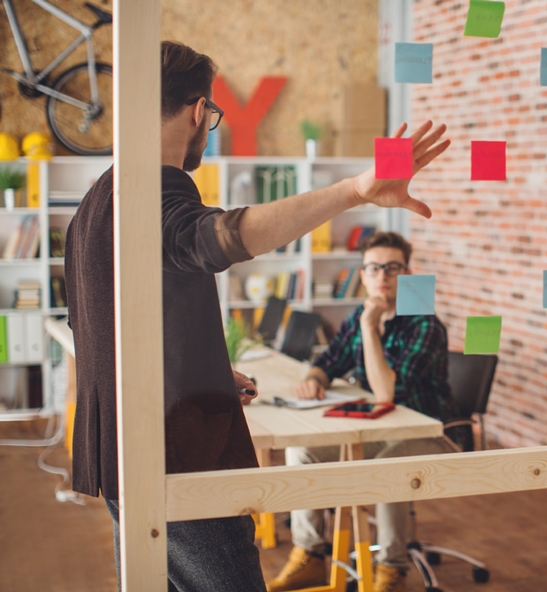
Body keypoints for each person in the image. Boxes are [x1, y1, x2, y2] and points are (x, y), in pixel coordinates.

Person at [64, 40, 449, 592]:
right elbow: (214, 240)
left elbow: (99, 323)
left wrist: (201, 373)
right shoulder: (157, 184)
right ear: (199, 110)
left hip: (120, 452)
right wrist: (354, 190)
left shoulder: (98, 197)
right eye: (213, 115)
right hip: (177, 455)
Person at [266, 231, 458, 592]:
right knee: (302, 451)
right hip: (379, 429)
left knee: (386, 468)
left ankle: (391, 566)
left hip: (431, 433)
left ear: (407, 272)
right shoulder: (358, 316)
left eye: (392, 268)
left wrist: (371, 327)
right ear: (363, 274)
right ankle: (308, 553)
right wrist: (315, 378)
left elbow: (387, 393)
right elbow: (328, 360)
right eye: (373, 268)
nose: (382, 276)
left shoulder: (425, 324)